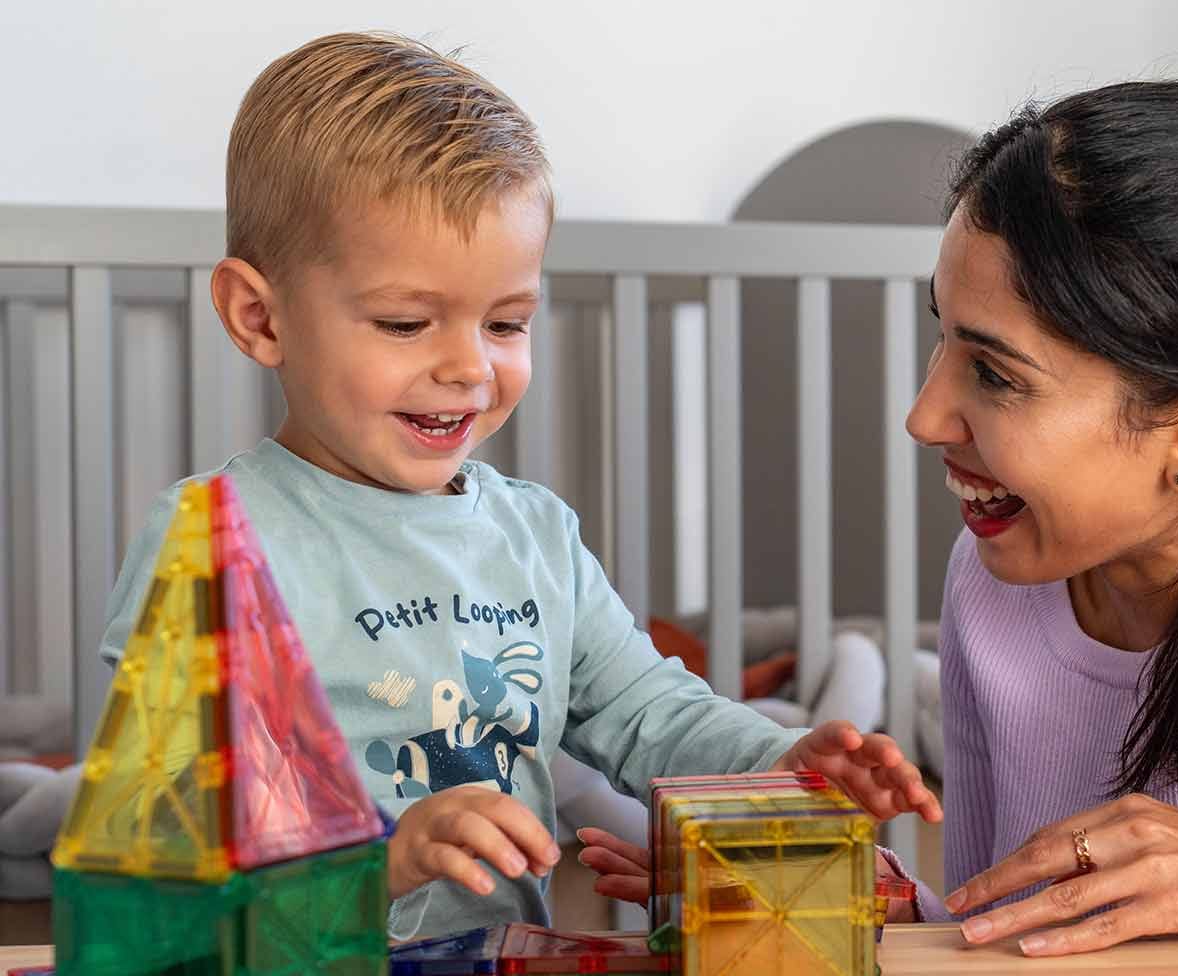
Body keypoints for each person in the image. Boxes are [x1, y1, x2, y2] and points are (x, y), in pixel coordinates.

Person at [583, 81, 1178, 969]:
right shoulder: (993, 584)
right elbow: (1008, 926)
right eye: (946, 339)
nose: (925, 416)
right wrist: (867, 901)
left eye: (998, 375)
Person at [98, 32, 940, 941]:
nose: (469, 366)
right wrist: (383, 857)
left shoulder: (534, 535)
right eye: (405, 322)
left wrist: (780, 760)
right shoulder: (220, 535)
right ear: (259, 317)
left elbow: (646, 712)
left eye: (506, 322)